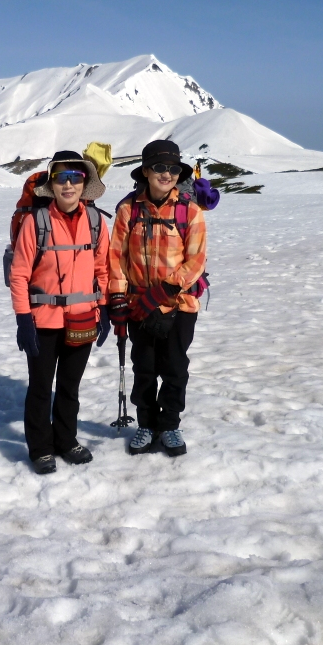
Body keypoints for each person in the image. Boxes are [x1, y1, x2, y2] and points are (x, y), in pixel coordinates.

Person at [10, 151, 111, 474]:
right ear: (51, 184)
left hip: (83, 315)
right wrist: (24, 319)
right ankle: (40, 448)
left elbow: (103, 269)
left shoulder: (95, 222)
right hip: (43, 320)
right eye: (61, 178)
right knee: (40, 387)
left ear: (85, 184)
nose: (68, 185)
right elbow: (20, 274)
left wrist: (104, 308)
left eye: (76, 178)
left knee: (70, 386)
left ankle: (66, 440)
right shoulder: (35, 223)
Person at [107, 140, 207, 457]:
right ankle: (147, 424)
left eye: (173, 169)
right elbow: (117, 258)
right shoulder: (128, 209)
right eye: (160, 168)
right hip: (139, 306)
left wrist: (165, 289)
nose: (167, 174)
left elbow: (196, 260)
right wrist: (119, 299)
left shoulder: (189, 211)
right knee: (145, 368)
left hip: (179, 306)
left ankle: (170, 425)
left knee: (175, 367)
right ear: (147, 171)